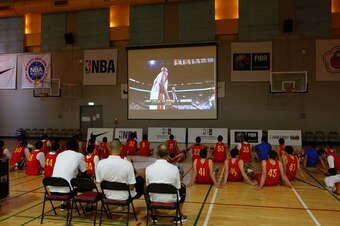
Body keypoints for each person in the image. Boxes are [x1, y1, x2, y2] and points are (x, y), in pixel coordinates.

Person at [146, 144, 187, 223]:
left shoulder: (148, 168)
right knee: (183, 187)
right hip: (171, 199)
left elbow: (148, 187)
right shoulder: (174, 168)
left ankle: (154, 216)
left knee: (151, 189)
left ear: (156, 154)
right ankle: (177, 216)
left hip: (154, 199)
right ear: (168, 155)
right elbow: (178, 187)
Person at [51, 138, 87, 211]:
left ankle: (64, 204)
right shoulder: (79, 155)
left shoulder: (59, 155)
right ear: (77, 147)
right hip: (68, 190)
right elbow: (84, 172)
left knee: (67, 179)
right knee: (87, 182)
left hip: (53, 189)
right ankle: (89, 206)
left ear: (66, 147)